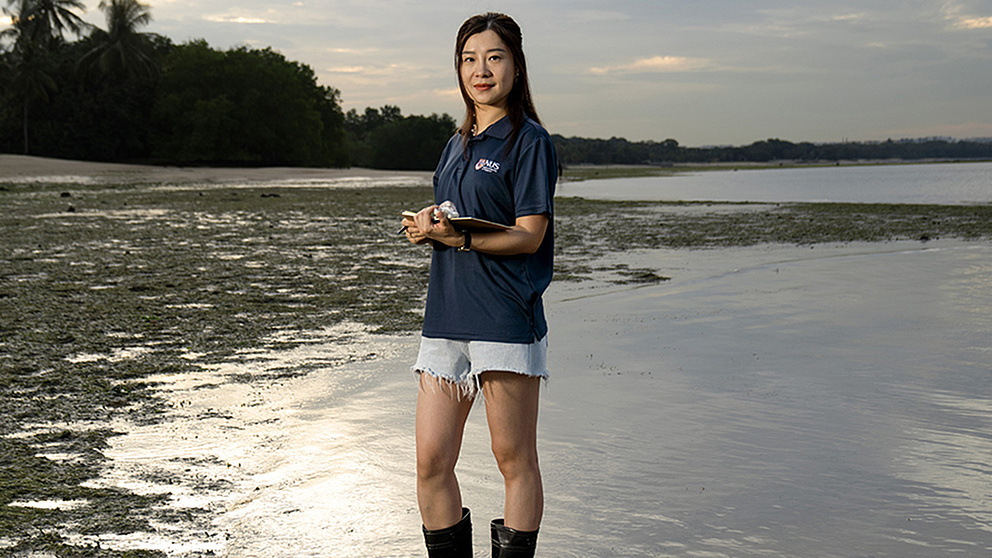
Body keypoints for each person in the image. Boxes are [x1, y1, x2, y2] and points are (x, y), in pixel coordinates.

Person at [401, 12, 557, 558]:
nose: (481, 69)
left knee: (514, 460)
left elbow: (530, 235)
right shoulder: (455, 142)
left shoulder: (530, 141)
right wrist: (431, 223)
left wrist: (463, 241)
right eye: (469, 59)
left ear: (516, 66)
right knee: (430, 463)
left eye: (494, 57)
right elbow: (457, 212)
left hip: (504, 319)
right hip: (445, 318)